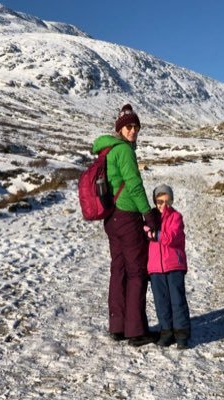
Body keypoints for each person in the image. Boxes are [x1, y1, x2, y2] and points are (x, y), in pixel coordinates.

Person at [92, 103, 158, 347]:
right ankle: (136, 330)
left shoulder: (107, 150)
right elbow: (134, 185)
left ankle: (118, 326)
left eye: (136, 126)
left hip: (112, 218)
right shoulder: (125, 151)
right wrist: (147, 214)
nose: (133, 131)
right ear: (119, 129)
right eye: (128, 126)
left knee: (118, 271)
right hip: (128, 216)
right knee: (136, 272)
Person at [144, 184, 191, 349]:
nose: (163, 205)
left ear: (171, 201)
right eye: (159, 201)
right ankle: (166, 331)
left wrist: (155, 234)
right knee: (161, 301)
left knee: (177, 301)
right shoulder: (150, 218)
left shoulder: (176, 217)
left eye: (166, 201)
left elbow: (170, 237)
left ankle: (182, 334)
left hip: (174, 265)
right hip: (156, 268)